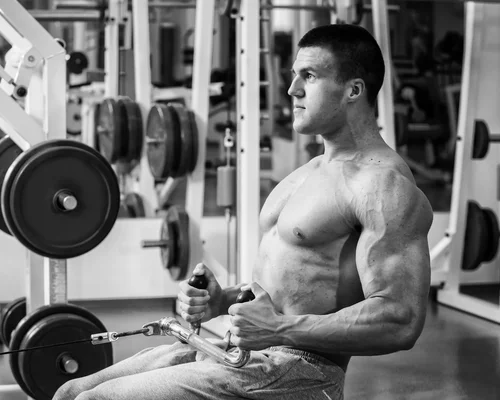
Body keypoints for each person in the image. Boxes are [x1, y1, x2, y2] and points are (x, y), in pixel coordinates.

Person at [54, 23, 433, 400]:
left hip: (298, 371)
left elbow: (400, 319)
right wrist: (224, 300)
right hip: (241, 354)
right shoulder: (309, 173)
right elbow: (294, 288)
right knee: (72, 391)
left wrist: (280, 329)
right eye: (293, 75)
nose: (292, 89)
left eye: (310, 76)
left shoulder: (382, 185)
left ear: (353, 90)